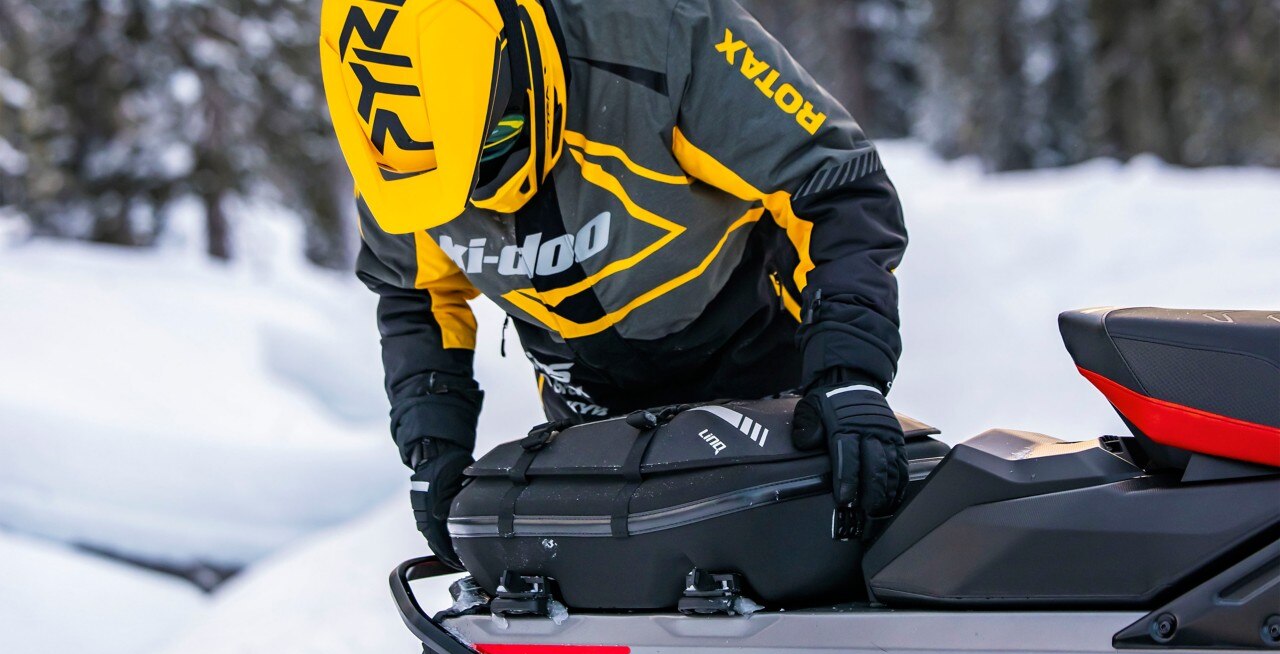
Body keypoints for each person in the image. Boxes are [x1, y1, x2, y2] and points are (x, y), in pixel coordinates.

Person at [320, 0, 910, 569]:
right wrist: (433, 445)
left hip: (754, 359)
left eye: (489, 147)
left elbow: (836, 185)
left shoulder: (662, 32)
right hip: (583, 401)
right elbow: (415, 291)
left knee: (796, 569)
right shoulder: (395, 122)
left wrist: (846, 376)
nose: (472, 198)